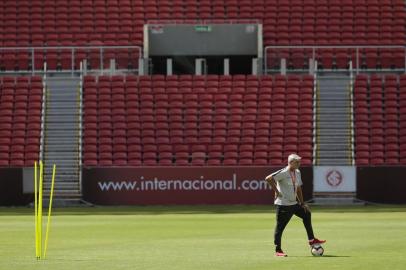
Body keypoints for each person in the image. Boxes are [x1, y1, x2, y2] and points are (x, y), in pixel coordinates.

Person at [265, 153, 326, 257]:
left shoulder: (297, 172)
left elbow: (298, 188)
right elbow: (268, 178)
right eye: (297, 162)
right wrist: (276, 191)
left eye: (299, 161)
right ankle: (278, 250)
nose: (299, 163)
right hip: (283, 205)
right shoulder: (283, 172)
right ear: (291, 162)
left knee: (307, 213)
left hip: (294, 204)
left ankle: (311, 240)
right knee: (280, 228)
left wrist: (302, 203)